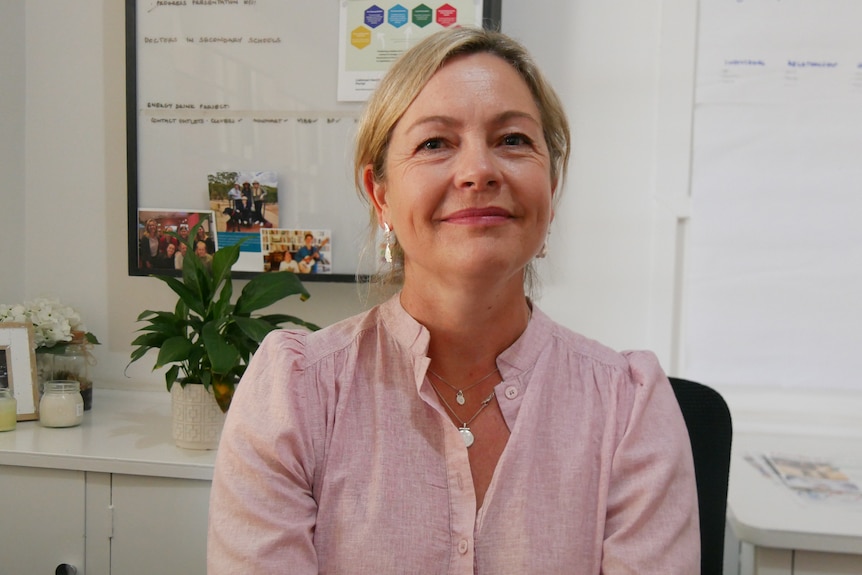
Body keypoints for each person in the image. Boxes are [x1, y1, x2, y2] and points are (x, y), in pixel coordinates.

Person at [208, 27, 699, 574]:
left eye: (513, 139)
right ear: (382, 195)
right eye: (435, 143)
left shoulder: (628, 409)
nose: (479, 171)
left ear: (552, 186)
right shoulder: (294, 397)